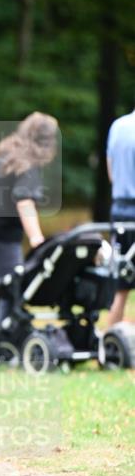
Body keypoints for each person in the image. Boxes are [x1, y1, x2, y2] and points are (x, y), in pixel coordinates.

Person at [0, 112, 59, 361]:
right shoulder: (26, 164)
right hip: (0, 235)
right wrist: (37, 238)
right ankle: (4, 350)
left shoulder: (5, 154)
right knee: (11, 291)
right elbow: (24, 200)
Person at [106, 106, 135, 326]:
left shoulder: (118, 126)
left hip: (119, 210)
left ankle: (111, 342)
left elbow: (110, 170)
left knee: (121, 285)